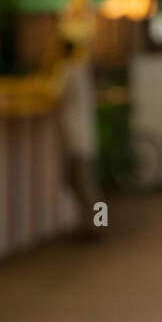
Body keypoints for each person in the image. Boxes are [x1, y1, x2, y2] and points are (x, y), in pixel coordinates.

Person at [53, 38, 101, 237]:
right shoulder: (81, 69)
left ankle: (95, 225)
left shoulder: (67, 70)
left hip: (75, 135)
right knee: (87, 183)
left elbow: (55, 95)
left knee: (83, 183)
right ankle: (95, 223)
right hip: (84, 132)